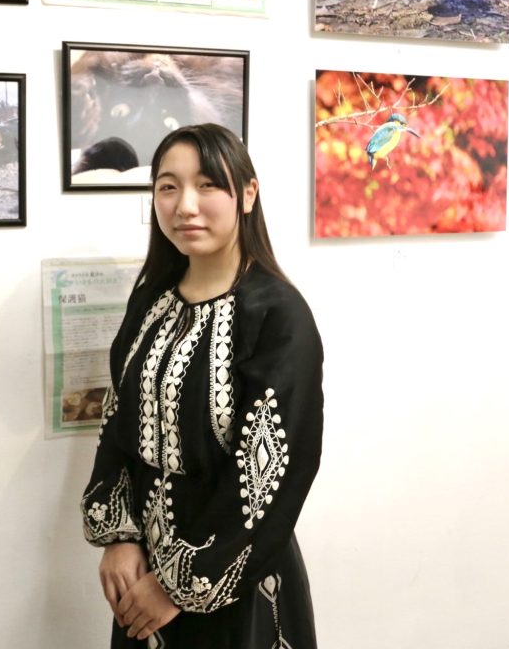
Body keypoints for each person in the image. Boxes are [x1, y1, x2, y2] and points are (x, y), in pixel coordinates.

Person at [80, 124, 322, 648]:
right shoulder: (150, 300)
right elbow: (117, 423)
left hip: (238, 577)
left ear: (248, 194)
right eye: (168, 187)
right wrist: (119, 539)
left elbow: (271, 474)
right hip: (139, 570)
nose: (185, 205)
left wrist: (179, 585)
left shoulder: (279, 316)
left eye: (208, 185)